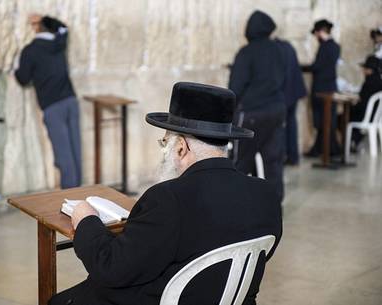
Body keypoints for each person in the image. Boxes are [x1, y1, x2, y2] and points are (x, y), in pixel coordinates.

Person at [48, 82, 282, 305]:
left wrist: (87, 219)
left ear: (181, 147)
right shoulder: (267, 195)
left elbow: (111, 268)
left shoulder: (168, 198)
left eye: (165, 143)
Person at [15, 14, 81, 189]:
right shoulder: (58, 43)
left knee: (63, 155)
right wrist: (45, 18)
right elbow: (63, 27)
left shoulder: (30, 50)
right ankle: (78, 192)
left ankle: (71, 200)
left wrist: (16, 67)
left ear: (36, 28)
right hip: (71, 100)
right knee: (75, 150)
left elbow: (22, 78)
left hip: (53, 106)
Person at [228, 10, 286, 199]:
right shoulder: (279, 50)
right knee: (273, 161)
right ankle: (273, 204)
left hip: (252, 114)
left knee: (240, 161)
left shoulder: (247, 52)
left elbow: (235, 87)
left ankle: (234, 202)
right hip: (277, 111)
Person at [302, 19, 341, 157]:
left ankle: (328, 149)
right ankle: (323, 149)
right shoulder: (336, 46)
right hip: (331, 87)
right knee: (328, 120)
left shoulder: (325, 47)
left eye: (317, 33)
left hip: (321, 89)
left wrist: (300, 67)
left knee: (322, 121)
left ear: (320, 32)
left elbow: (317, 67)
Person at [276, 39, 307, 165]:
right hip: (294, 92)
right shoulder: (288, 46)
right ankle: (293, 157)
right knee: (291, 124)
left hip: (284, 93)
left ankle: (282, 155)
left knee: (280, 126)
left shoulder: (276, 50)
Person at [349, 55, 382, 150]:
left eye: (365, 68)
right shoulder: (379, 81)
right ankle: (355, 141)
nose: (363, 71)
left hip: (366, 116)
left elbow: (362, 102)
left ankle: (349, 143)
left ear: (370, 70)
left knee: (345, 116)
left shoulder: (369, 82)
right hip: (376, 117)